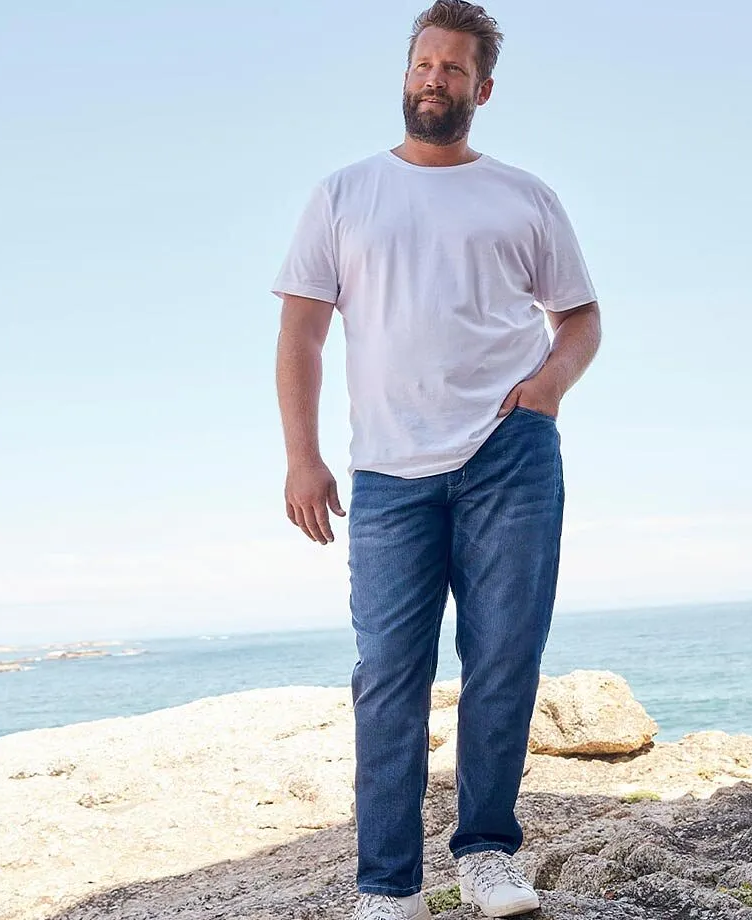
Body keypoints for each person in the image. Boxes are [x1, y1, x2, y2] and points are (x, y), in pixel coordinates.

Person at [269, 3, 603, 918]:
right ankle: (389, 888)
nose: (434, 79)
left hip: (509, 452)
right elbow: (301, 332)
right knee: (388, 674)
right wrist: (302, 457)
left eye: (454, 68)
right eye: (424, 63)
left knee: (504, 657)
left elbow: (580, 317)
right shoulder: (343, 193)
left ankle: (487, 855)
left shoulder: (525, 196)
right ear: (406, 73)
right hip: (386, 471)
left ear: (481, 89)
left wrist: (547, 388)